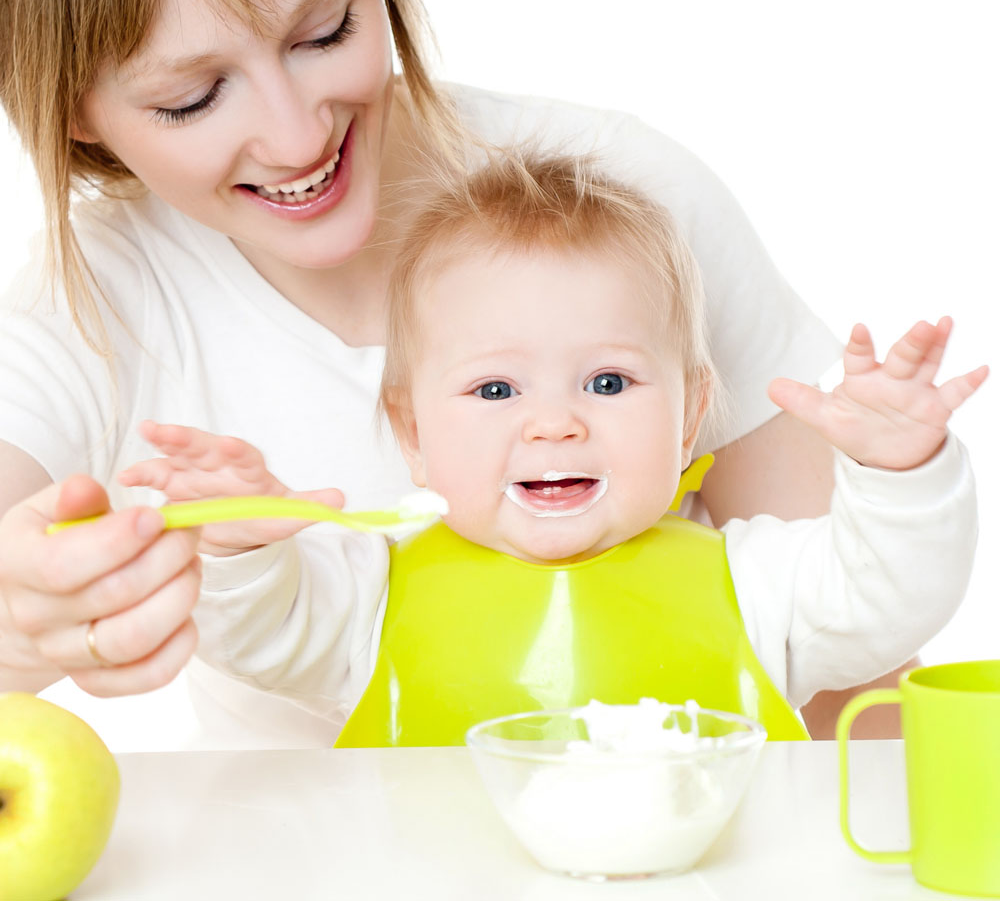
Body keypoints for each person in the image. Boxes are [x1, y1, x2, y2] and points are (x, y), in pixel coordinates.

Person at [0, 0, 889, 747]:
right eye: (193, 97)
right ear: (76, 107)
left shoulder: (624, 201)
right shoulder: (81, 305)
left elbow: (855, 662)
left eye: (325, 33)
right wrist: (21, 628)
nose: (294, 137)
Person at [117, 152, 985, 745]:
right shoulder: (370, 592)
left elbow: (889, 598)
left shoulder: (754, 583)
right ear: (413, 433)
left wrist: (899, 470)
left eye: (608, 383)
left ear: (689, 419)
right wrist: (240, 544)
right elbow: (263, 632)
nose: (554, 424)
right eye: (496, 391)